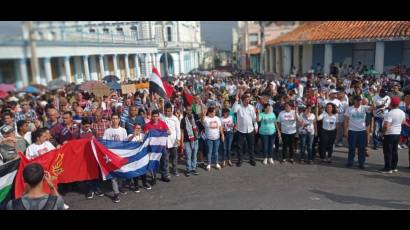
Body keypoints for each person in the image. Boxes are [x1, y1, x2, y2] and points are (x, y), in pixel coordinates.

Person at [103, 113, 128, 203]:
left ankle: (120, 187)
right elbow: (104, 143)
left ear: (119, 120)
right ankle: (116, 193)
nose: (114, 120)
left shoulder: (123, 130)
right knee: (113, 175)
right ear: (111, 120)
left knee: (120, 173)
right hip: (111, 156)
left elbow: (126, 143)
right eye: (113, 118)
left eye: (116, 118)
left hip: (120, 155)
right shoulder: (107, 131)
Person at [379, 97, 405, 173]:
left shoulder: (390, 113)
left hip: (389, 134)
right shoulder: (402, 112)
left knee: (387, 151)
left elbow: (386, 125)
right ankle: (394, 167)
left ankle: (388, 168)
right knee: (394, 151)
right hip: (397, 134)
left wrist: (382, 133)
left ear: (391, 104)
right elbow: (403, 122)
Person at [344, 96, 372, 169]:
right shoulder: (349, 109)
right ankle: (350, 162)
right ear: (354, 101)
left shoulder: (364, 107)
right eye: (357, 101)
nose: (359, 102)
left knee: (362, 148)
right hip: (352, 131)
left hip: (362, 131)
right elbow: (346, 120)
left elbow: (373, 108)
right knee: (352, 148)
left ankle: (361, 163)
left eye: (360, 101)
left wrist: (373, 102)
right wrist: (346, 130)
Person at [144, 109, 171, 183]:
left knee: (164, 161)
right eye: (154, 116)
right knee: (153, 161)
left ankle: (164, 175)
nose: (155, 118)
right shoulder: (147, 125)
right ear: (151, 117)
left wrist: (165, 132)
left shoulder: (163, 123)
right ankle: (153, 177)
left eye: (156, 116)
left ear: (159, 116)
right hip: (152, 148)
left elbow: (169, 132)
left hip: (162, 147)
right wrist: (147, 133)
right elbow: (145, 136)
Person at [232, 94, 258, 167]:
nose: (247, 101)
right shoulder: (238, 107)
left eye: (248, 100)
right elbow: (233, 110)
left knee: (251, 146)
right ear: (242, 100)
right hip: (240, 130)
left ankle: (252, 159)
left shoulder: (251, 107)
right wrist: (236, 100)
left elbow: (254, 118)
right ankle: (240, 160)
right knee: (239, 146)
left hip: (250, 129)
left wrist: (256, 126)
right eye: (246, 100)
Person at [127, 124, 152, 191]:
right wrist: (134, 135)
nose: (138, 130)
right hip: (134, 157)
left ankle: (144, 183)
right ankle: (136, 185)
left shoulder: (143, 135)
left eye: (139, 128)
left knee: (143, 170)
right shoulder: (130, 135)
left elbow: (148, 142)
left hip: (142, 156)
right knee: (136, 171)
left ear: (141, 129)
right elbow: (128, 142)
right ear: (133, 129)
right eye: (136, 128)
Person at [201, 106, 224, 171]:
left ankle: (216, 163)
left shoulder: (217, 118)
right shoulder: (206, 118)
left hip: (217, 138)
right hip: (209, 139)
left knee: (216, 152)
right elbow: (202, 121)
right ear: (209, 113)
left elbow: (220, 127)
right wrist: (204, 114)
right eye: (213, 112)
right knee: (209, 152)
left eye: (214, 112)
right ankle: (209, 164)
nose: (214, 113)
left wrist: (222, 135)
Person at [161, 104, 181, 177]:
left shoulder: (175, 119)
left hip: (174, 141)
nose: (167, 112)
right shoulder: (162, 118)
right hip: (165, 141)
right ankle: (166, 172)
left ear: (171, 111)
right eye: (166, 111)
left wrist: (178, 139)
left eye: (169, 111)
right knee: (166, 158)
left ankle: (175, 170)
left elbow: (178, 130)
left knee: (174, 157)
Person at [180, 105, 200, 176]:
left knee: (194, 155)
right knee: (188, 156)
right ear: (186, 111)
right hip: (186, 140)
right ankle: (188, 169)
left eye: (190, 110)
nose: (189, 111)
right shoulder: (183, 120)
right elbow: (182, 131)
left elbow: (203, 115)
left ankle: (194, 168)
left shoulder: (195, 118)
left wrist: (200, 104)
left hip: (195, 139)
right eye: (188, 110)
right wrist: (181, 142)